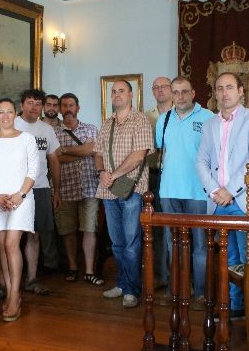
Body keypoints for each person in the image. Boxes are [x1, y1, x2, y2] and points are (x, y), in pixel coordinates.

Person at [195, 72, 249, 318]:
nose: (224, 92)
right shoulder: (209, 125)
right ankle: (236, 308)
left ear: (240, 91)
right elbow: (201, 161)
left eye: (229, 87)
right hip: (219, 202)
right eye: (219, 88)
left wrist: (230, 190)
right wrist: (215, 191)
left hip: (246, 200)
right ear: (215, 93)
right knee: (230, 259)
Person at [0, 98, 39, 322]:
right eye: (1, 112)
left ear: (16, 114)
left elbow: (33, 170)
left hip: (21, 198)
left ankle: (14, 296)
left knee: (12, 243)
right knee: (1, 244)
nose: (5, 116)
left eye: (10, 112)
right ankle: (10, 289)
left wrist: (20, 194)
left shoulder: (27, 139)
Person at [94, 80, 153, 308]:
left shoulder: (140, 120)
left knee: (131, 242)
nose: (117, 95)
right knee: (117, 243)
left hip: (132, 190)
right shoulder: (106, 123)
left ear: (131, 95)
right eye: (114, 91)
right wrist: (101, 172)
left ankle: (131, 290)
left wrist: (114, 174)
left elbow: (139, 155)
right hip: (108, 191)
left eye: (122, 91)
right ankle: (122, 283)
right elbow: (98, 154)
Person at [156, 77, 214, 310]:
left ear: (193, 93)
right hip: (169, 191)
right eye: (176, 92)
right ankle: (177, 289)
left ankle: (201, 293)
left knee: (200, 245)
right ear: (171, 94)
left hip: (198, 191)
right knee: (173, 244)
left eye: (184, 92)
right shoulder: (163, 119)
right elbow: (161, 151)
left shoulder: (208, 117)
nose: (180, 96)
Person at [14, 89, 61, 294]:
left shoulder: (46, 129)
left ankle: (32, 279)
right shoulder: (12, 124)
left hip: (40, 188)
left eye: (38, 103)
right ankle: (6, 283)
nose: (34, 107)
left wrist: (56, 190)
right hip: (14, 190)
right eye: (30, 102)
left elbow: (54, 160)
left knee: (34, 235)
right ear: (22, 105)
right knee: (12, 238)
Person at [54, 93, 103, 285]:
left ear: (78, 108)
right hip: (64, 187)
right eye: (64, 105)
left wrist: (65, 150)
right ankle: (73, 267)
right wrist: (84, 151)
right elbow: (55, 158)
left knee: (89, 229)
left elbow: (94, 150)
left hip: (90, 187)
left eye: (71, 105)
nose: (68, 109)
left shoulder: (91, 128)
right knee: (68, 231)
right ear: (60, 109)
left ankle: (89, 271)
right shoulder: (54, 132)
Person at [144, 76, 173, 291]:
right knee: (156, 227)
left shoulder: (182, 114)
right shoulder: (146, 117)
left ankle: (182, 276)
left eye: (164, 87)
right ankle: (161, 275)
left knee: (177, 226)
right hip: (153, 175)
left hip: (176, 176)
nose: (160, 90)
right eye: (156, 87)